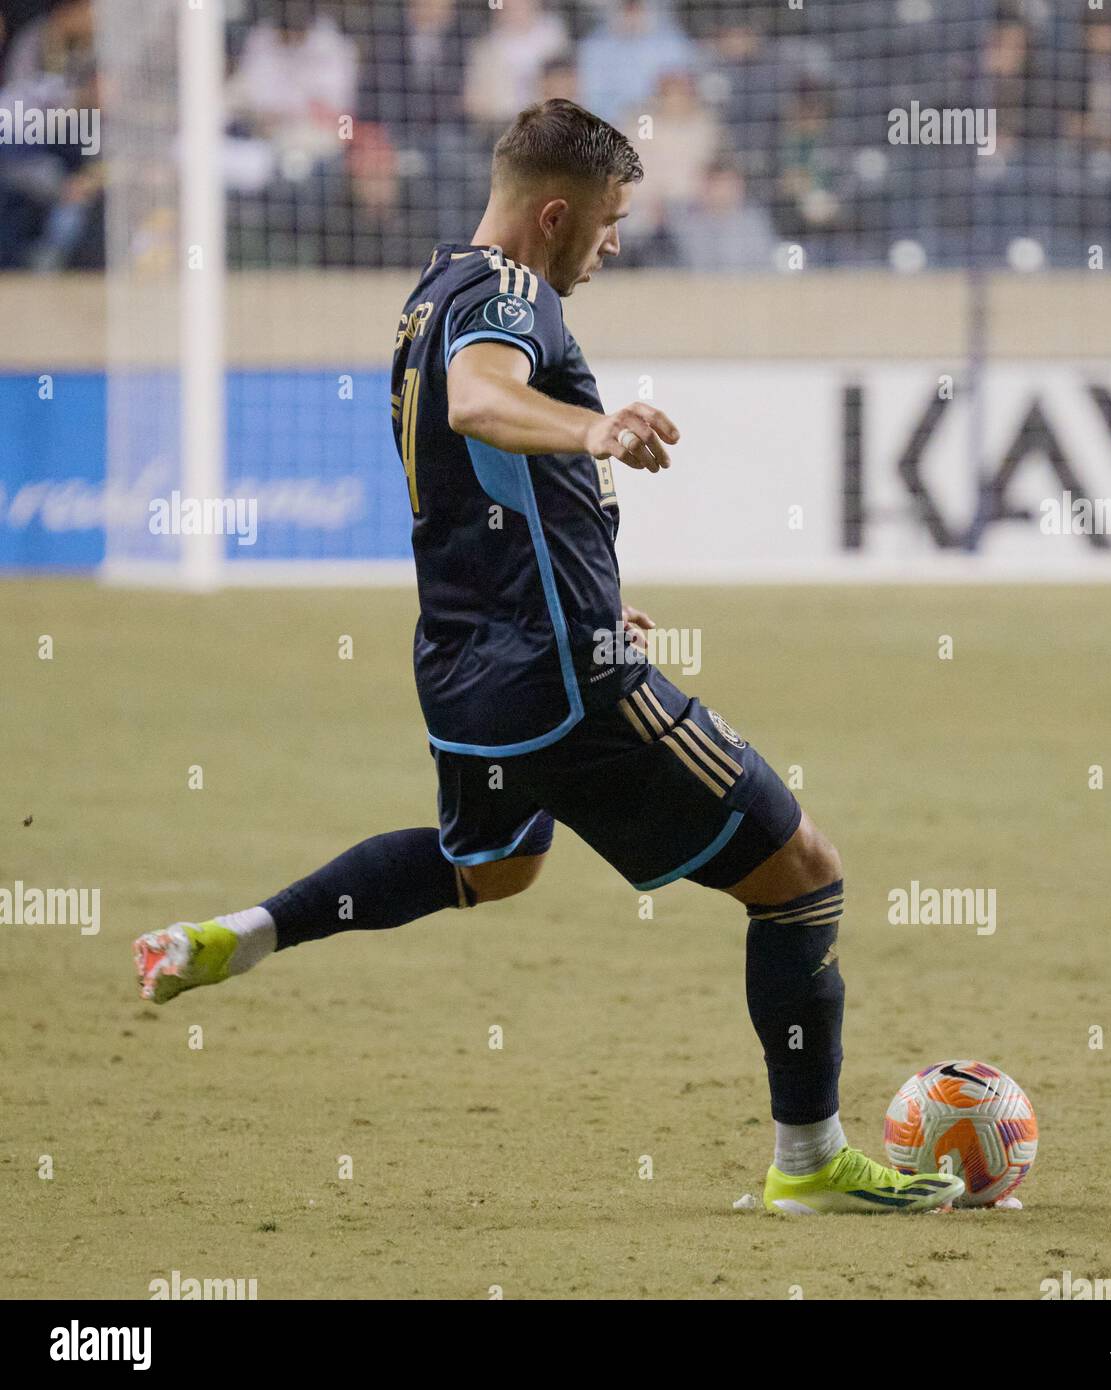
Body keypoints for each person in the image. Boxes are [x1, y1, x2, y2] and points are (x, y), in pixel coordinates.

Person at [133, 99, 963, 1217]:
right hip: (560, 678)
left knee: (490, 863)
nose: (615, 241)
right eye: (611, 219)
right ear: (558, 213)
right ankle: (807, 1161)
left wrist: (595, 592)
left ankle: (245, 932)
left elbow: (488, 493)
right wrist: (594, 427)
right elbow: (480, 405)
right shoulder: (511, 293)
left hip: (468, 674)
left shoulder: (430, 291)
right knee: (803, 880)